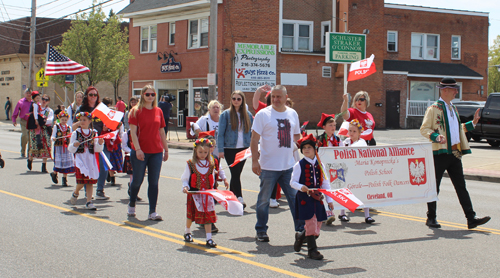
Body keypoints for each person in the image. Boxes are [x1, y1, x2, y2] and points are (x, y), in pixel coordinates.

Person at [420, 77, 491, 229]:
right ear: (444, 90)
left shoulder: (453, 108)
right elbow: (424, 129)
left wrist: (473, 123)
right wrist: (435, 136)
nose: (456, 91)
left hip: (454, 154)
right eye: (453, 89)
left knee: (461, 187)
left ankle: (471, 218)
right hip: (439, 154)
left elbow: (456, 129)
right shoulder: (433, 109)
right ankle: (431, 217)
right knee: (434, 186)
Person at [251, 85, 304, 242]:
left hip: (288, 166)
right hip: (268, 167)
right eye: (273, 96)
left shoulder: (292, 114)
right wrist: (255, 161)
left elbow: (297, 138)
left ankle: (301, 230)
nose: (275, 99)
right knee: (263, 200)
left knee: (295, 200)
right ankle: (261, 230)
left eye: (279, 96)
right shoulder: (263, 114)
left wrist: (298, 154)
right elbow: (254, 139)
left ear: (286, 97)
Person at [127, 85, 169, 220]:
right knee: (137, 181)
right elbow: (133, 132)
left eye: (153, 94)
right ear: (142, 95)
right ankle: (132, 204)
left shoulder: (158, 111)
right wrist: (138, 149)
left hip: (156, 151)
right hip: (140, 151)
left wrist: (166, 149)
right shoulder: (135, 111)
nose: (150, 97)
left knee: (154, 182)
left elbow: (162, 131)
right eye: (147, 94)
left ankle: (152, 211)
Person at [291, 134, 334, 260]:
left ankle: (300, 237)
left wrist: (329, 200)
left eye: (309, 147)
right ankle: (312, 251)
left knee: (318, 225)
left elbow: (325, 183)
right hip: (305, 198)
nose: (306, 150)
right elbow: (292, 182)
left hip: (317, 198)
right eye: (304, 148)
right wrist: (301, 187)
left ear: (315, 149)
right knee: (311, 223)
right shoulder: (299, 165)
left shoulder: (321, 165)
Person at [218, 91, 253, 208]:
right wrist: (220, 149)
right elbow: (220, 133)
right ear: (231, 100)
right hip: (230, 148)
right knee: (235, 173)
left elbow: (252, 132)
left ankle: (231, 199)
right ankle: (240, 198)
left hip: (244, 147)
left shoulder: (247, 115)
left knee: (236, 174)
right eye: (234, 98)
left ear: (242, 100)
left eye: (238, 99)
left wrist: (253, 147)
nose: (236, 101)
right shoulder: (226, 114)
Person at [181, 138, 219, 248]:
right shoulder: (191, 164)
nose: (203, 155)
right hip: (194, 194)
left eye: (205, 152)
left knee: (208, 217)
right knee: (191, 215)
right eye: (200, 152)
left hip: (206, 195)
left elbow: (212, 179)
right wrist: (185, 187)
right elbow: (185, 178)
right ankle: (187, 231)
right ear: (195, 151)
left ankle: (209, 238)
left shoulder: (211, 164)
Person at [74, 87, 109, 200]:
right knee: (88, 167)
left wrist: (106, 126)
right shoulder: (82, 109)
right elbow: (75, 124)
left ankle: (100, 190)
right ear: (86, 96)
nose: (93, 97)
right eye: (91, 94)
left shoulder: (102, 108)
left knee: (104, 166)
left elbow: (110, 121)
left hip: (100, 139)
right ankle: (87, 192)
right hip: (86, 142)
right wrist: (82, 123)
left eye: (95, 95)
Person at [68, 112, 105, 210]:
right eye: (81, 120)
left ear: (89, 121)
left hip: (90, 159)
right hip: (80, 159)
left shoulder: (94, 133)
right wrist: (74, 145)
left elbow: (97, 149)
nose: (82, 121)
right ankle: (76, 192)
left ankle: (89, 202)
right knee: (82, 180)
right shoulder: (76, 133)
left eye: (84, 120)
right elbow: (70, 149)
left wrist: (100, 144)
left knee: (90, 181)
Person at [315, 113, 343, 225]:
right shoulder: (319, 139)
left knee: (334, 189)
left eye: (334, 125)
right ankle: (328, 212)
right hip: (322, 169)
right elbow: (315, 153)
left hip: (335, 169)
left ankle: (333, 211)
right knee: (325, 190)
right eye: (330, 125)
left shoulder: (338, 139)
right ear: (324, 127)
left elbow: (342, 153)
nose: (333, 127)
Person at [26, 92, 53, 173]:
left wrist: (43, 121)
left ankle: (44, 166)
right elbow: (33, 116)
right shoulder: (36, 107)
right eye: (43, 99)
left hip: (45, 129)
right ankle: (30, 159)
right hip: (36, 129)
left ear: (48, 101)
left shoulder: (49, 110)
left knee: (46, 145)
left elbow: (50, 120)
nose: (44, 101)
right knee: (35, 145)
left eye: (46, 100)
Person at [101, 97, 123, 186]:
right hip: (107, 144)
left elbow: (121, 133)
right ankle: (111, 177)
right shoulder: (104, 123)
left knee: (116, 161)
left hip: (116, 144)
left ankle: (111, 175)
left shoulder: (118, 123)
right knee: (109, 160)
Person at [50, 111, 75, 186]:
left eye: (65, 119)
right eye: (62, 119)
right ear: (59, 119)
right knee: (58, 162)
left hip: (66, 148)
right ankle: (54, 173)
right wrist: (53, 138)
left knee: (66, 163)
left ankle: (64, 180)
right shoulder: (56, 126)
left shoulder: (69, 127)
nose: (64, 121)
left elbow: (71, 137)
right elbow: (52, 136)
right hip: (58, 147)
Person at [12, 89, 33, 157]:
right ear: (24, 94)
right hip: (24, 121)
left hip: (31, 121)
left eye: (29, 93)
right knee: (25, 135)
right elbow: (16, 111)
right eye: (27, 93)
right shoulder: (21, 102)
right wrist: (14, 119)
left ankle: (30, 152)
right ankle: (23, 151)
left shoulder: (34, 102)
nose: (28, 94)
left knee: (31, 137)